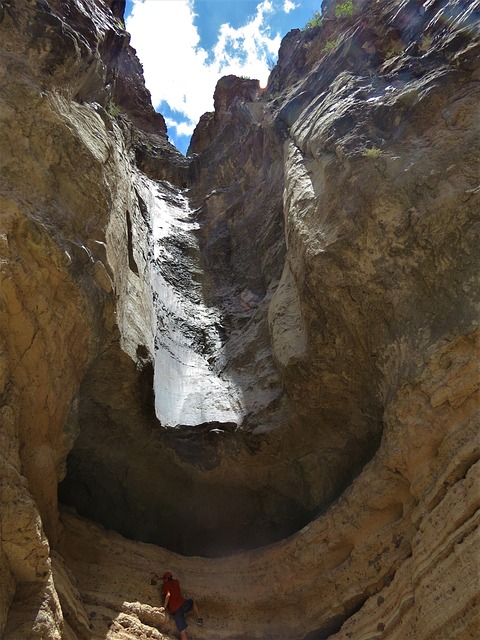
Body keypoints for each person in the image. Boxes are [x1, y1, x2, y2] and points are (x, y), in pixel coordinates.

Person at [154, 571, 203, 639]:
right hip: (183, 605)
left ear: (166, 579)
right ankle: (199, 618)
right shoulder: (176, 582)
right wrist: (162, 578)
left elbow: (168, 595)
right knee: (192, 602)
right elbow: (169, 579)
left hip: (175, 610)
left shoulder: (165, 585)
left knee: (182, 631)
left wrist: (164, 608)